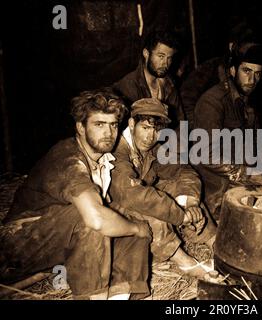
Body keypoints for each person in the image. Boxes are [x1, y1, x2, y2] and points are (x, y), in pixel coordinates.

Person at [0, 90, 151, 300]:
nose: (109, 132)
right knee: (93, 220)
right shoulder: (68, 159)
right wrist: (135, 228)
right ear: (80, 127)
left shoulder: (104, 159)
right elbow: (95, 219)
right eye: (99, 124)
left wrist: (135, 226)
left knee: (127, 218)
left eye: (113, 125)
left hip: (57, 235)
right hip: (16, 245)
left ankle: (121, 296)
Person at [109, 98, 217, 279]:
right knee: (151, 206)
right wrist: (180, 215)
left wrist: (190, 202)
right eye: (145, 128)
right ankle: (184, 263)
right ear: (131, 123)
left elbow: (182, 170)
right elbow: (131, 195)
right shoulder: (117, 150)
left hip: (132, 202)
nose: (150, 136)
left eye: (157, 130)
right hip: (111, 214)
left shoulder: (152, 147)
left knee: (176, 190)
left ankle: (216, 244)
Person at [193, 44, 262, 220]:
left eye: (257, 73)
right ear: (233, 71)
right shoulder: (213, 102)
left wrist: (260, 170)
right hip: (218, 186)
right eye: (247, 71)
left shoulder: (249, 101)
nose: (252, 79)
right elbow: (206, 154)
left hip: (242, 177)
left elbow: (257, 142)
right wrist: (248, 173)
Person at [180, 23, 259, 128]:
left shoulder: (256, 75)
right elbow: (186, 99)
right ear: (232, 47)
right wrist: (199, 126)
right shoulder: (208, 70)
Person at [112, 28, 185, 127]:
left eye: (169, 58)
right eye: (161, 56)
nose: (165, 64)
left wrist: (180, 142)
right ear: (146, 53)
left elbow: (181, 122)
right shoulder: (128, 86)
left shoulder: (169, 84)